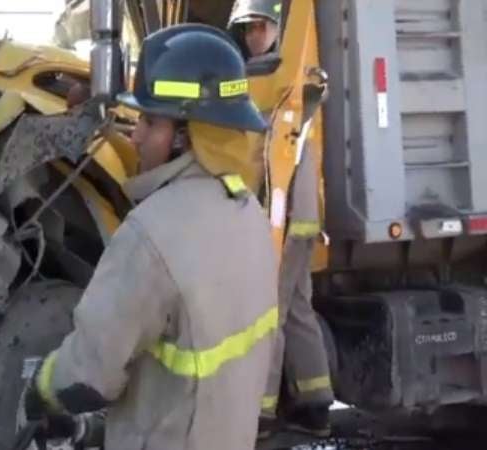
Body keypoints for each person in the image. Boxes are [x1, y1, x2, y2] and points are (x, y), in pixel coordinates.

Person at [24, 23, 279, 450]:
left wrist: (41, 389)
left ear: (186, 137)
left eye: (149, 121)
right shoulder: (247, 212)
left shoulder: (150, 235)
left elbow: (88, 373)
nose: (136, 135)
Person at [230, 0, 336, 438]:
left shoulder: (277, 81)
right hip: (299, 218)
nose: (255, 36)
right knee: (296, 308)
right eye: (248, 29)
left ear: (277, 26)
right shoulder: (270, 77)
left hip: (289, 221)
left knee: (268, 310)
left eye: (261, 27)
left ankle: (261, 413)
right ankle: (315, 406)